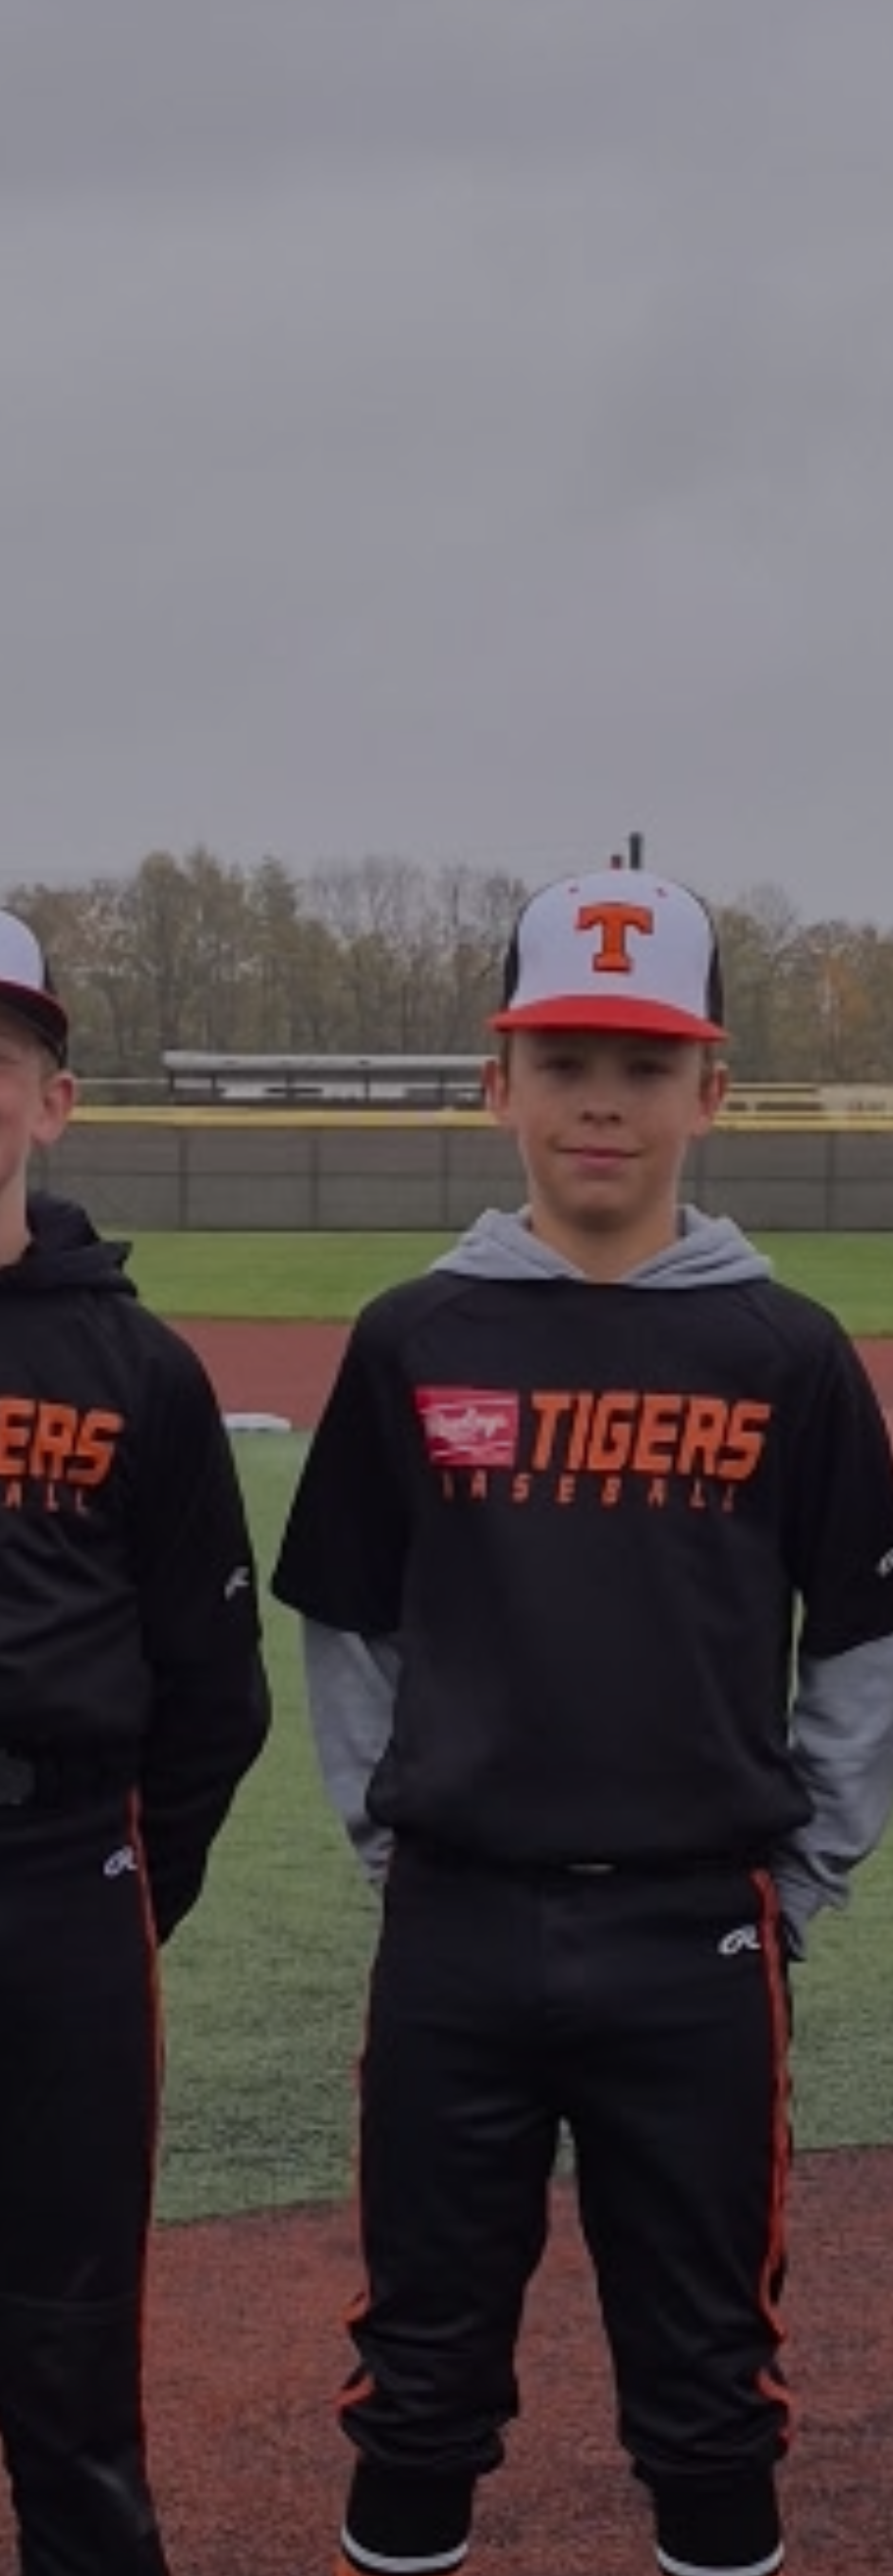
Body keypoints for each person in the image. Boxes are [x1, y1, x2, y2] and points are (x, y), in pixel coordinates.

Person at [272, 863, 893, 2576]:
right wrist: (400, 1842)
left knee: (710, 2385)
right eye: (563, 1062)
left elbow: (863, 1640)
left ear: (713, 1091)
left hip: (695, 1933)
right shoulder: (414, 1336)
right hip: (457, 1928)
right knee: (417, 2379)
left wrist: (802, 1880)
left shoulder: (786, 1350)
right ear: (498, 1084)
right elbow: (350, 1624)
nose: (601, 1103)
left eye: (645, 1066)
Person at [0, 908, 271, 2575]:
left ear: (52, 1100)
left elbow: (213, 1690)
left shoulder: (139, 1368)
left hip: (57, 1878)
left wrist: (113, 1885)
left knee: (67, 2344)